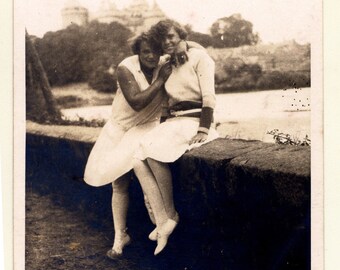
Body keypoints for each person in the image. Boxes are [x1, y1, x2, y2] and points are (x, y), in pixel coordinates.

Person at [84, 32, 202, 259]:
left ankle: (161, 227)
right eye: (145, 51)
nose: (150, 56)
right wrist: (160, 80)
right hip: (120, 127)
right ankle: (120, 237)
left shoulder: (164, 63)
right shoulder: (125, 67)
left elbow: (190, 47)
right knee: (118, 183)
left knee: (144, 166)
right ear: (137, 52)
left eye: (155, 51)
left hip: (147, 125)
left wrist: (188, 44)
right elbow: (136, 102)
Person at [133, 20, 219, 256]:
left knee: (154, 153)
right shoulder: (164, 64)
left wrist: (204, 128)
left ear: (181, 35)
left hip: (194, 121)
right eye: (163, 39)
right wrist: (160, 128)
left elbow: (209, 97)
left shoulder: (201, 58)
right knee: (137, 159)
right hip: (174, 122)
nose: (168, 42)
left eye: (172, 36)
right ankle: (162, 220)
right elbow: (164, 103)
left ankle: (171, 214)